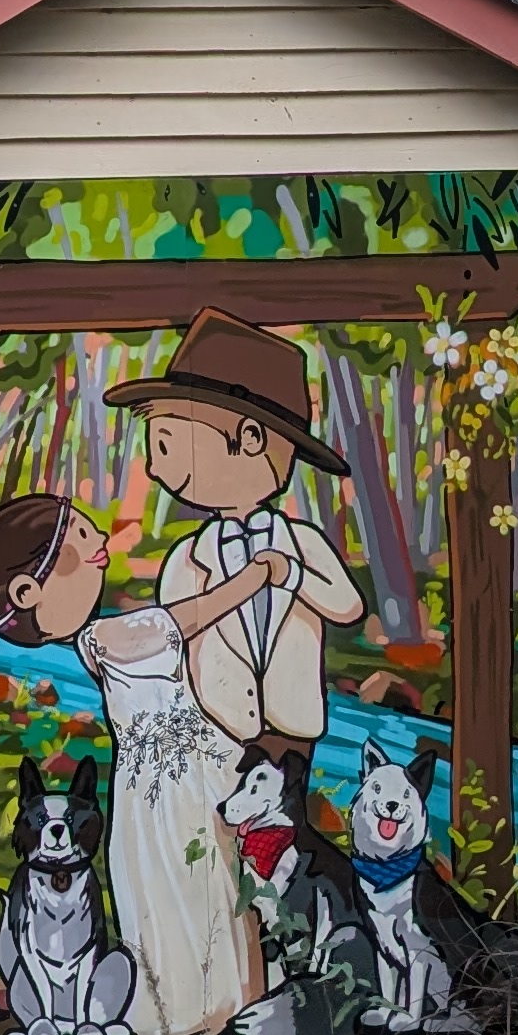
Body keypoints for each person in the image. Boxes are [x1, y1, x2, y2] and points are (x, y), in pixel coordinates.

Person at [0, 490, 304, 1035]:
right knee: (190, 885)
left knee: (213, 882)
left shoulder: (101, 640)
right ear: (29, 591)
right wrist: (259, 576)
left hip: (176, 776)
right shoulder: (111, 637)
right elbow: (196, 614)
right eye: (80, 542)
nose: (100, 547)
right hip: (168, 786)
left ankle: (225, 999)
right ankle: (203, 1004)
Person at [110, 312, 366, 754]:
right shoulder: (189, 556)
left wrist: (290, 574)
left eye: (168, 444)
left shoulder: (302, 543)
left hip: (294, 725)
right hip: (218, 726)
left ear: (250, 438)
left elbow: (348, 606)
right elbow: (173, 633)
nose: (154, 468)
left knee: (287, 818)